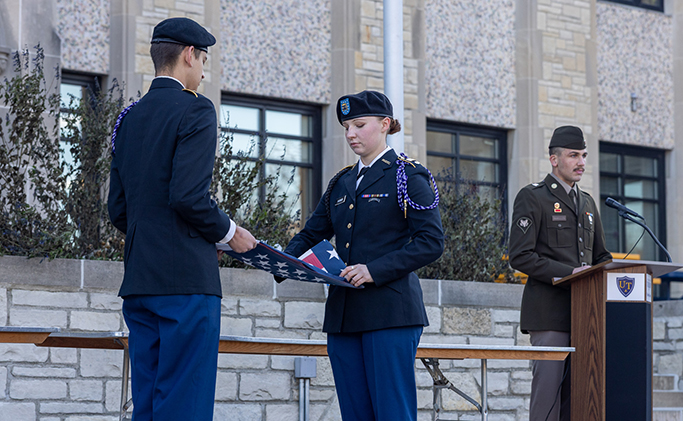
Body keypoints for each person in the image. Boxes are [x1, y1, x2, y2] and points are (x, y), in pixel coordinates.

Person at [107, 17, 257, 420]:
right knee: (184, 406)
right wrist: (230, 235)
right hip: (186, 285)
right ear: (189, 55)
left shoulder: (129, 118)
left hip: (140, 282)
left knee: (150, 404)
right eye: (203, 59)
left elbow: (118, 210)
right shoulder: (197, 110)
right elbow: (188, 197)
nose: (204, 71)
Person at [279, 90, 444, 421]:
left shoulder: (407, 175)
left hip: (391, 313)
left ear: (385, 124)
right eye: (346, 127)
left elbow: (431, 241)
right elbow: (313, 234)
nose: (350, 134)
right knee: (354, 414)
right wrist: (275, 260)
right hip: (345, 316)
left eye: (359, 124)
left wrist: (373, 270)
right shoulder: (341, 182)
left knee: (392, 413)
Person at [508, 126, 612, 421]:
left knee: (580, 400)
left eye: (583, 155)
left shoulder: (588, 203)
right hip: (550, 315)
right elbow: (520, 255)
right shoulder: (533, 197)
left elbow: (600, 255)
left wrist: (610, 270)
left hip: (587, 316)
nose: (581, 162)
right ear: (554, 159)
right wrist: (570, 273)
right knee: (548, 401)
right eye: (573, 155)